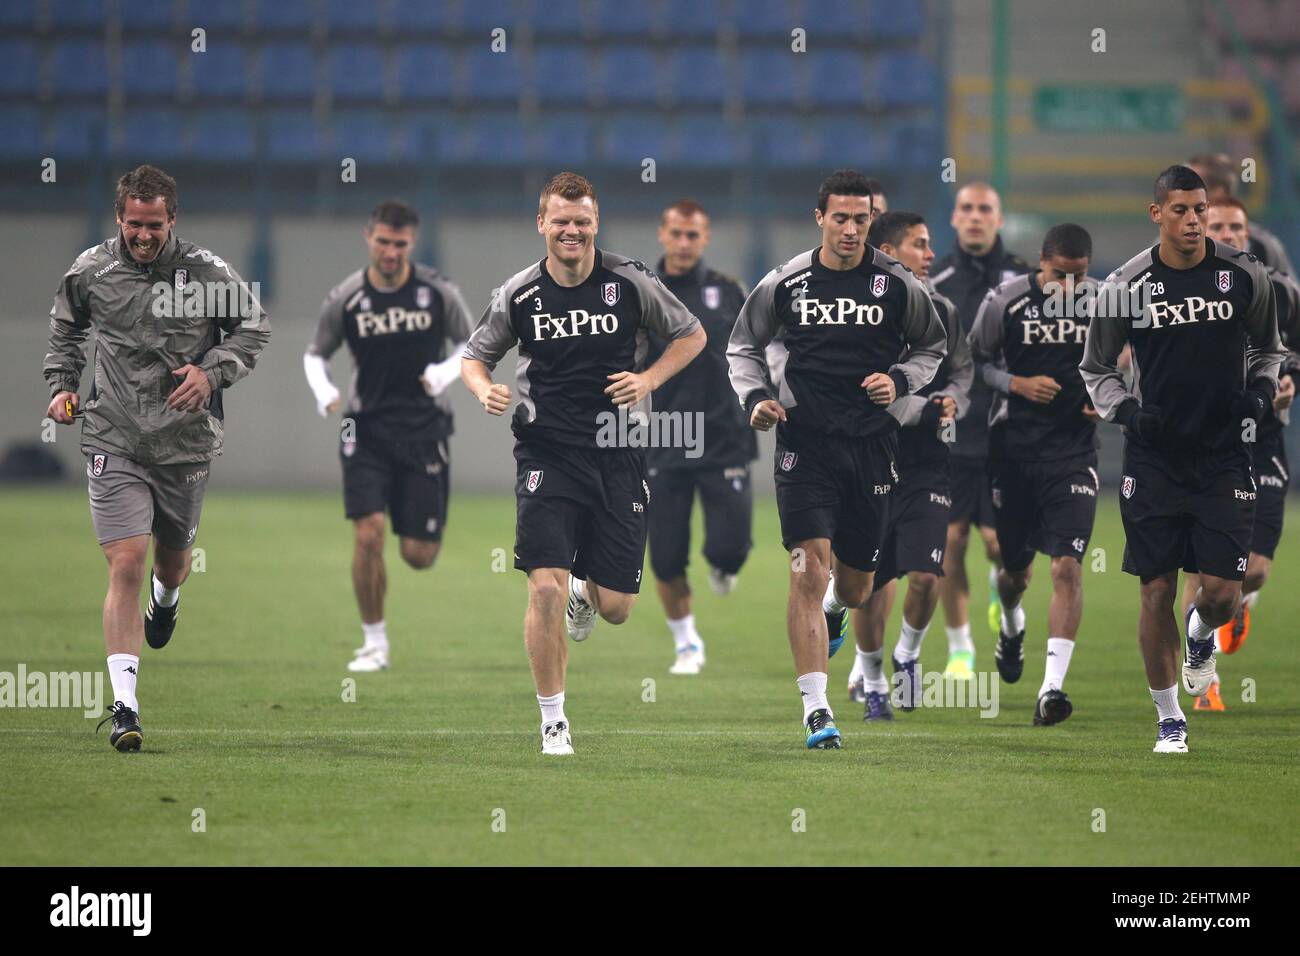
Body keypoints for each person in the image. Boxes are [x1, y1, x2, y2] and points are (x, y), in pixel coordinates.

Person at [461, 172, 705, 755]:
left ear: (596, 223)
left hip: (619, 452)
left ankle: (584, 590)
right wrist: (482, 389)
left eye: (582, 221)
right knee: (541, 588)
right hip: (545, 453)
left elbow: (691, 336)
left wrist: (647, 378)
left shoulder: (630, 280)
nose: (572, 231)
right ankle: (553, 721)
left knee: (616, 608)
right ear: (541, 223)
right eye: (560, 221)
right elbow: (475, 356)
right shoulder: (520, 293)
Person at [42, 164, 270, 752]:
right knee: (126, 560)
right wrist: (62, 385)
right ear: (119, 217)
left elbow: (252, 328)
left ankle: (165, 602)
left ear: (173, 220)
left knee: (170, 565)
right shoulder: (91, 270)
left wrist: (211, 371)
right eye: (134, 225)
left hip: (184, 443)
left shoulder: (206, 273)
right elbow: (66, 331)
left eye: (155, 226)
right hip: (113, 435)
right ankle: (125, 708)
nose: (144, 236)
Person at [727, 168, 948, 749]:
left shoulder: (899, 284)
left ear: (872, 220)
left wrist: (900, 380)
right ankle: (816, 710)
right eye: (841, 218)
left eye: (862, 219)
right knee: (807, 566)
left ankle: (837, 607)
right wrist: (756, 399)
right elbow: (742, 344)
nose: (851, 230)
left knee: (854, 586)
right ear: (819, 218)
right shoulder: (787, 282)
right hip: (805, 445)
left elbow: (933, 346)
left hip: (874, 450)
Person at [1080, 165, 1286, 753]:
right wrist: (1127, 413)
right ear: (1156, 215)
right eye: (1181, 211)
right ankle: (1170, 718)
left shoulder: (1244, 275)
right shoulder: (1125, 285)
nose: (1194, 221)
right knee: (1154, 590)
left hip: (1224, 456)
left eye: (1200, 210)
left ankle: (1201, 634)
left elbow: (1271, 349)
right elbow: (1095, 369)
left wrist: (1260, 390)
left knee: (1223, 592)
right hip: (1153, 461)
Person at [304, 200, 475, 672]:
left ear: (411, 244)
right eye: (383, 241)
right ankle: (374, 642)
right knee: (368, 533)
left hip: (424, 430)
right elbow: (316, 353)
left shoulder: (438, 292)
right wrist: (324, 391)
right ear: (368, 237)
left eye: (400, 244)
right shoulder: (347, 297)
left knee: (419, 555)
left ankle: (415, 519)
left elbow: (473, 343)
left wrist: (443, 373)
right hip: (366, 429)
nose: (391, 252)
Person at [968, 224, 1099, 726]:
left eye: (1080, 276)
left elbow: (1129, 358)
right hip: (1013, 451)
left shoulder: (1104, 303)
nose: (1069, 287)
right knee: (1015, 571)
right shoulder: (1004, 300)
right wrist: (1016, 383)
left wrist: (1105, 396)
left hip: (1072, 452)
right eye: (1060, 276)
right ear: (1041, 264)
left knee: (1066, 566)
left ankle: (1051, 689)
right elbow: (975, 362)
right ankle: (1011, 623)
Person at [847, 211, 972, 719]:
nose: (929, 253)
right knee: (870, 585)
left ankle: (909, 655)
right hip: (870, 458)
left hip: (927, 464)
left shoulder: (943, 307)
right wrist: (922, 406)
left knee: (924, 576)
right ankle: (873, 681)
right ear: (891, 253)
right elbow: (859, 387)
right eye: (919, 245)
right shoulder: (860, 311)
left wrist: (954, 400)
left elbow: (962, 369)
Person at [1179, 197, 1300, 710]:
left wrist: (1288, 380)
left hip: (1264, 438)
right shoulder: (1184, 285)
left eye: (1237, 226)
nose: (1228, 232)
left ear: (1250, 235)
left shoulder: (1280, 291)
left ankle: (1232, 607)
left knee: (1252, 571)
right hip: (1202, 446)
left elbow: (1288, 350)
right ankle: (1206, 672)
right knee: (1199, 573)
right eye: (1218, 224)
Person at [643, 199, 755, 675]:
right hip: (664, 438)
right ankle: (687, 644)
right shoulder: (641, 290)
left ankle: (724, 565)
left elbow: (755, 349)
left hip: (724, 436)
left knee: (729, 548)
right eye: (677, 234)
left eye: (694, 235)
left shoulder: (729, 292)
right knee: (666, 556)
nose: (684, 243)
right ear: (662, 235)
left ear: (705, 238)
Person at [932, 182, 1031, 677]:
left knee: (999, 546)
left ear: (999, 217)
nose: (975, 217)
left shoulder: (1024, 278)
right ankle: (960, 648)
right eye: (967, 209)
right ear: (954, 218)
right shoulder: (935, 279)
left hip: (1005, 432)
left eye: (984, 209)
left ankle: (1005, 601)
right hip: (950, 432)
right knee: (950, 542)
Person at [1187, 152, 1294, 276]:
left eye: (1191, 186)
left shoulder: (1263, 246)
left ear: (1219, 191)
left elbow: (1289, 292)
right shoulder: (1170, 242)